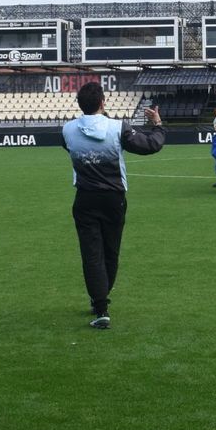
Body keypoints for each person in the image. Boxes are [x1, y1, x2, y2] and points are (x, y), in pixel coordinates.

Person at [61, 82, 165, 330]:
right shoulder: (118, 128)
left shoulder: (67, 129)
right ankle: (102, 298)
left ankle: (100, 306)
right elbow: (150, 145)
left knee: (91, 253)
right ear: (103, 103)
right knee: (111, 250)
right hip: (113, 198)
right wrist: (158, 125)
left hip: (85, 197)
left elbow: (68, 146)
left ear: (79, 104)